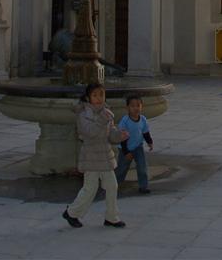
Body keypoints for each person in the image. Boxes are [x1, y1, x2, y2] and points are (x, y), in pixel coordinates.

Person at [62, 82, 128, 229]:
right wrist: (103, 120)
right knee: (90, 189)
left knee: (112, 186)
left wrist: (119, 135)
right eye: (95, 95)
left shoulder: (106, 112)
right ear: (88, 97)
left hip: (105, 156)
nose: (99, 98)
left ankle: (112, 217)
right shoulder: (84, 114)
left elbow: (110, 134)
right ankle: (71, 213)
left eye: (101, 95)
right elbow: (90, 132)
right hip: (91, 156)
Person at [115, 95, 154, 194]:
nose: (136, 108)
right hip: (125, 148)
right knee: (122, 168)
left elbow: (145, 132)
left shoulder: (143, 119)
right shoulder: (125, 121)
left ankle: (143, 186)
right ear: (127, 108)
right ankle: (114, 185)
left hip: (138, 147)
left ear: (141, 107)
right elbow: (122, 138)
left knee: (142, 167)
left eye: (138, 105)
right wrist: (126, 151)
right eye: (132, 106)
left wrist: (150, 142)